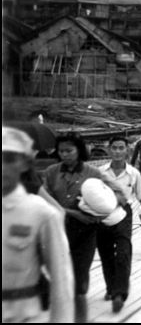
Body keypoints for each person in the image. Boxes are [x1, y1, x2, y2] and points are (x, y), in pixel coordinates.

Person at [43, 132, 126, 323]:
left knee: (80, 282)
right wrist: (72, 212)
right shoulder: (51, 172)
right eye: (61, 151)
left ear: (79, 150)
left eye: (69, 150)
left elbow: (118, 193)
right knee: (59, 278)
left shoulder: (92, 172)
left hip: (85, 231)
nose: (64, 154)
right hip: (57, 229)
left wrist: (106, 207)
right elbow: (45, 201)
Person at [2, 127, 74, 323]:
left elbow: (61, 281)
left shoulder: (39, 213)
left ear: (24, 163)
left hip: (23, 315)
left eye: (8, 159)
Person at [97, 136, 141, 313]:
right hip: (103, 214)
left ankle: (119, 294)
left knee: (123, 252)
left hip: (124, 214)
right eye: (114, 148)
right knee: (105, 253)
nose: (117, 151)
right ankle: (110, 287)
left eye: (121, 148)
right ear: (109, 150)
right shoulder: (100, 173)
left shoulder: (133, 173)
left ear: (127, 150)